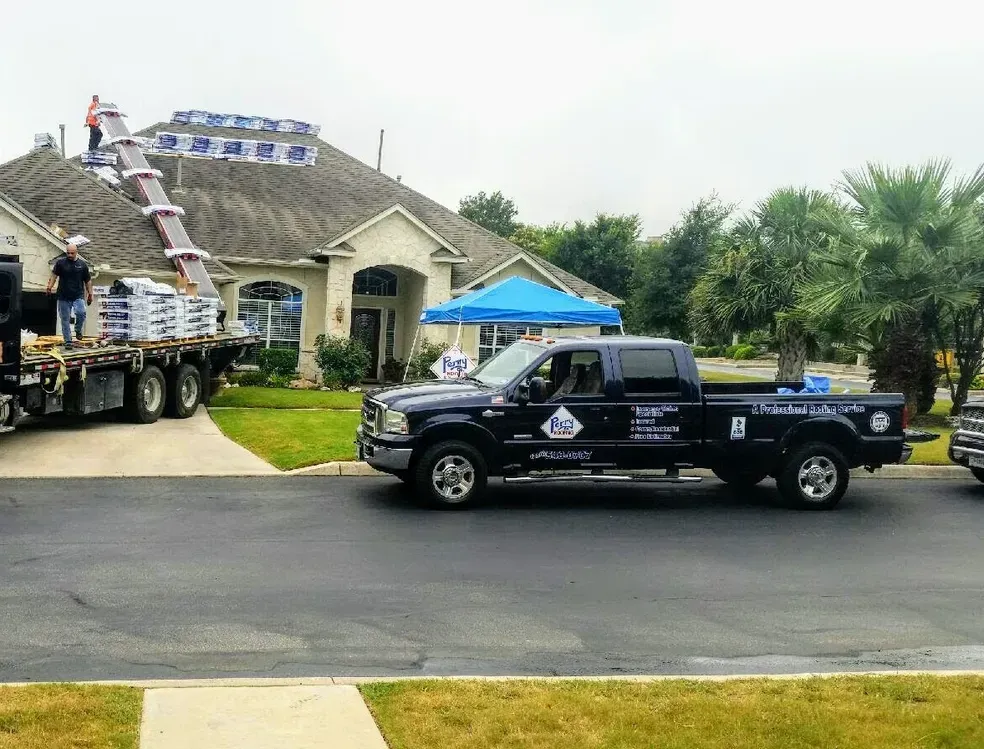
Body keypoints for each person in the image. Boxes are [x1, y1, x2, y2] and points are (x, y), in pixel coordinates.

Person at [46, 244, 93, 348]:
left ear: (76, 252)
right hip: (63, 296)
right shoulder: (60, 263)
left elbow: (88, 281)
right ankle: (68, 341)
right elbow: (54, 276)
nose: (70, 255)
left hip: (78, 295)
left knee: (81, 312)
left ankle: (77, 330)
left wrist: (90, 294)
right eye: (68, 253)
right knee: (65, 319)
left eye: (72, 253)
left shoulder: (82, 265)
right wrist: (49, 287)